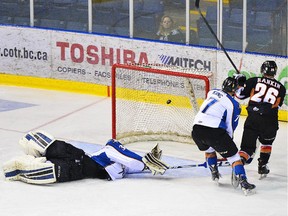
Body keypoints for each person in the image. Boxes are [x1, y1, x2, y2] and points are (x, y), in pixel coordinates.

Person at [2, 130, 168, 184]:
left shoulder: (111, 153)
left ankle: (31, 163)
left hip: (78, 159)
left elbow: (113, 150)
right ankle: (28, 166)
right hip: (78, 170)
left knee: (31, 139)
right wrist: (145, 164)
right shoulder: (119, 169)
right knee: (51, 167)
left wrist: (144, 163)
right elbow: (128, 162)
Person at [191, 77, 256, 195]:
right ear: (235, 89)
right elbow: (230, 125)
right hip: (214, 131)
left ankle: (214, 172)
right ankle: (244, 183)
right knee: (234, 157)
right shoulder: (233, 104)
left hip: (196, 130)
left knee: (209, 149)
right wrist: (229, 144)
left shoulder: (212, 92)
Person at [235, 60, 286, 179]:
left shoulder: (254, 81)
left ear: (262, 70)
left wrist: (239, 83)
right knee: (267, 142)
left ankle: (239, 166)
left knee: (246, 148)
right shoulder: (281, 88)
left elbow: (239, 95)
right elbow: (277, 105)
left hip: (253, 117)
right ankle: (262, 165)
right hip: (270, 121)